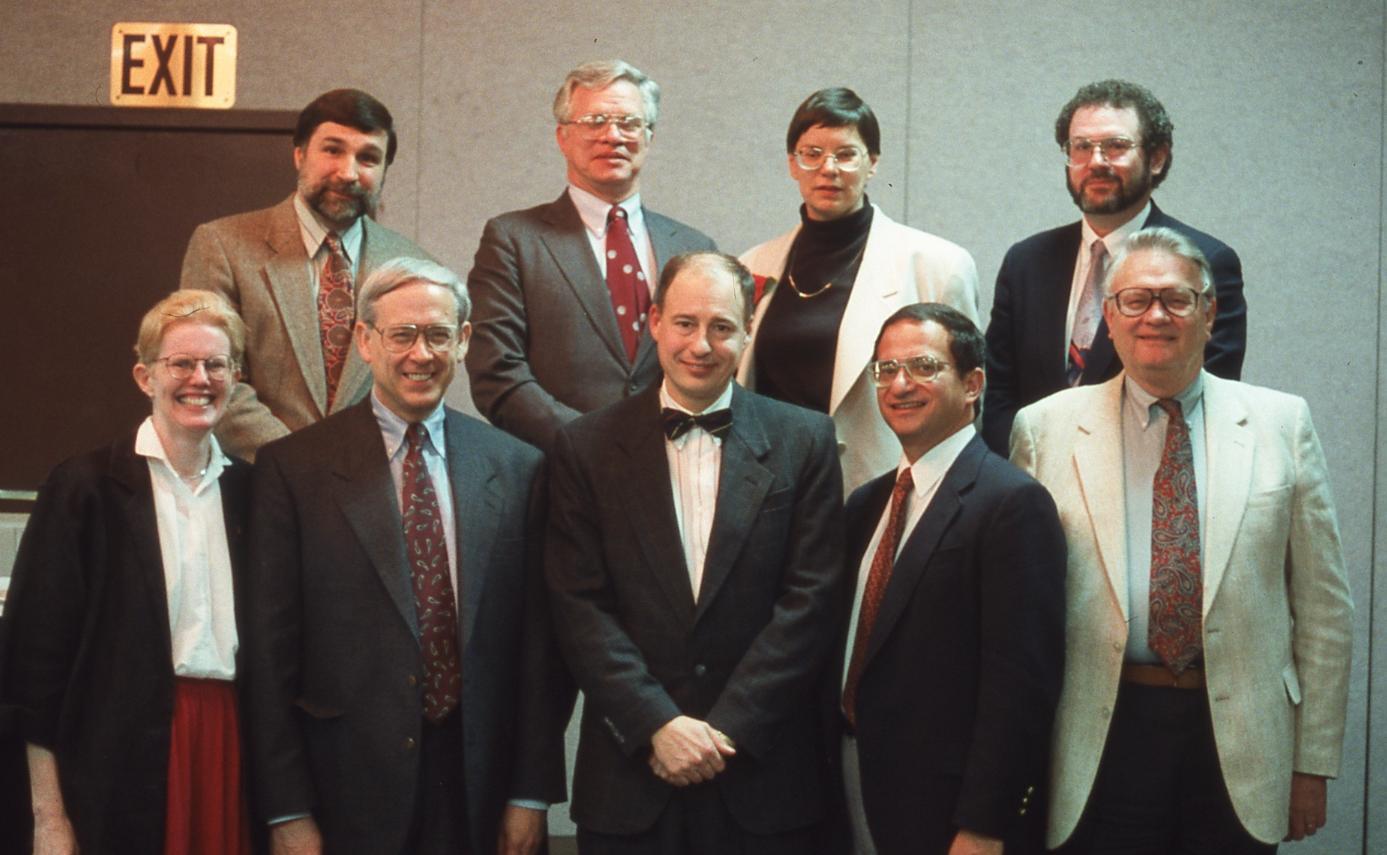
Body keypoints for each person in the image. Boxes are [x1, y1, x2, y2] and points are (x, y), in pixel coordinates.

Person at [1010, 228, 1352, 853]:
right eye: (1135, 300)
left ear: (1209, 312)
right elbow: (1017, 614)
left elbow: (1325, 610)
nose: (1156, 316)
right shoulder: (1044, 429)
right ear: (1108, 317)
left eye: (1177, 299)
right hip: (1099, 735)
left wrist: (1313, 763)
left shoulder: (1281, 423)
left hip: (1240, 741)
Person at [242, 258, 568, 854]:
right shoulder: (294, 470)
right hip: (343, 791)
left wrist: (530, 793)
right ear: (365, 340)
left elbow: (539, 649)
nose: (421, 354)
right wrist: (285, 809)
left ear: (464, 341)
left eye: (439, 335)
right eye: (402, 335)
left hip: (481, 789)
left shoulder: (519, 468)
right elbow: (269, 657)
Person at [546, 251, 847, 853]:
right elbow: (579, 606)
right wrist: (656, 724)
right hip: (633, 777)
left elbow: (811, 602)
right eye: (685, 323)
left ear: (749, 329)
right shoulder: (584, 447)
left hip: (762, 783)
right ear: (654, 321)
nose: (701, 345)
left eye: (722, 326)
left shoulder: (805, 440)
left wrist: (726, 730)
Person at [1, 289, 254, 853]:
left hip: (230, 748)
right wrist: (48, 819)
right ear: (145, 377)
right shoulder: (84, 488)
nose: (200, 378)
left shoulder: (253, 496)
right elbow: (33, 669)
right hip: (118, 758)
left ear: (236, 377)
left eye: (216, 364)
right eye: (181, 363)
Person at [832, 303, 1065, 855]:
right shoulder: (867, 504)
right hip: (850, 778)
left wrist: (985, 822)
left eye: (923, 366)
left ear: (973, 383)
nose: (900, 384)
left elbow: (1022, 684)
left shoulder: (1012, 503)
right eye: (885, 370)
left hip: (948, 809)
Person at [466, 59, 717, 453]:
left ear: (649, 137)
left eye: (629, 123)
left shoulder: (694, 248)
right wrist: (589, 445)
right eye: (595, 121)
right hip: (557, 475)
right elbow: (495, 374)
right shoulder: (514, 239)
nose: (612, 136)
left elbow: (714, 368)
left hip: (672, 473)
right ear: (562, 136)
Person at [983, 79, 1247, 454]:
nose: (1096, 162)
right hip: (1031, 491)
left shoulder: (1204, 261)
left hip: (1140, 485)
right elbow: (998, 395)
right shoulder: (1025, 262)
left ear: (1156, 159)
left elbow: (1203, 401)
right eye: (1081, 147)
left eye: (1116, 147)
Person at [738, 87, 979, 493]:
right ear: (792, 164)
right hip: (767, 490)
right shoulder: (751, 266)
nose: (827, 168)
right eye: (811, 153)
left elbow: (967, 408)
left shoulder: (937, 265)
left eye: (846, 154)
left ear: (873, 163)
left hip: (878, 489)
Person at [180, 88, 435, 460]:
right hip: (259, 486)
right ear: (299, 154)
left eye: (368, 158)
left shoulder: (412, 265)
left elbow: (414, 386)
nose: (348, 173)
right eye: (332, 150)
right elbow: (214, 379)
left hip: (369, 485)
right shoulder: (221, 246)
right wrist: (300, 466)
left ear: (383, 171)